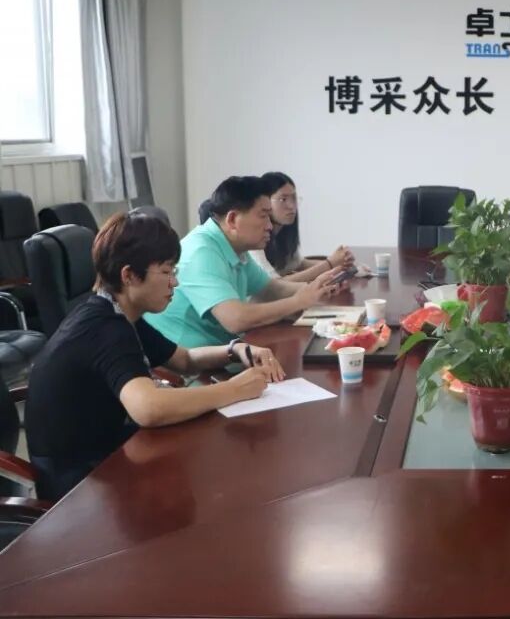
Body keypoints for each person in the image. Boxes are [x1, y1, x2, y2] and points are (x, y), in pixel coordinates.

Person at [25, 212, 285, 501]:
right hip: (79, 484)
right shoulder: (105, 328)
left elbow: (185, 359)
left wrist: (234, 349)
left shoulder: (118, 312)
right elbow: (148, 408)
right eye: (166, 272)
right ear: (129, 275)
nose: (175, 282)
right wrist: (235, 389)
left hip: (107, 451)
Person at [146, 176, 344, 348]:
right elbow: (236, 319)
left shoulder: (234, 246)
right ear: (233, 219)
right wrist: (298, 301)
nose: (269, 226)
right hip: (190, 366)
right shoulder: (201, 252)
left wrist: (316, 288)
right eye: (263, 216)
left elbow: (271, 289)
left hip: (224, 350)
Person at [249, 171, 359, 282]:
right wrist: (329, 264)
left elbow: (298, 264)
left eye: (294, 198)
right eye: (283, 199)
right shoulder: (254, 241)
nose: (292, 206)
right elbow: (274, 286)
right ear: (265, 202)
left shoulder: (283, 233)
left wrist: (341, 265)